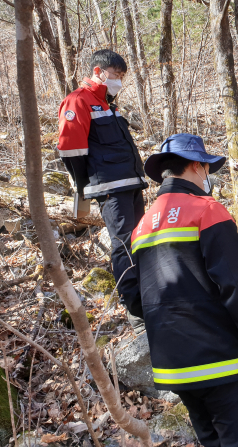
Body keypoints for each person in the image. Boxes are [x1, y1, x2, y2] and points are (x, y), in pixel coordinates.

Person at [129, 133, 238, 446]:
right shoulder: (206, 210)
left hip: (173, 366)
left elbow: (135, 298)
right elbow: (237, 286)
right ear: (197, 167)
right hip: (219, 361)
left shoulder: (141, 226)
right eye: (207, 170)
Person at [57, 49, 147, 330]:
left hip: (132, 183)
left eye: (121, 77)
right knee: (124, 245)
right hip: (109, 187)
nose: (118, 81)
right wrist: (85, 187)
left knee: (141, 242)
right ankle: (135, 310)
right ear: (98, 71)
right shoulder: (78, 101)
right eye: (116, 75)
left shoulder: (110, 105)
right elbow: (71, 149)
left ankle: (148, 297)